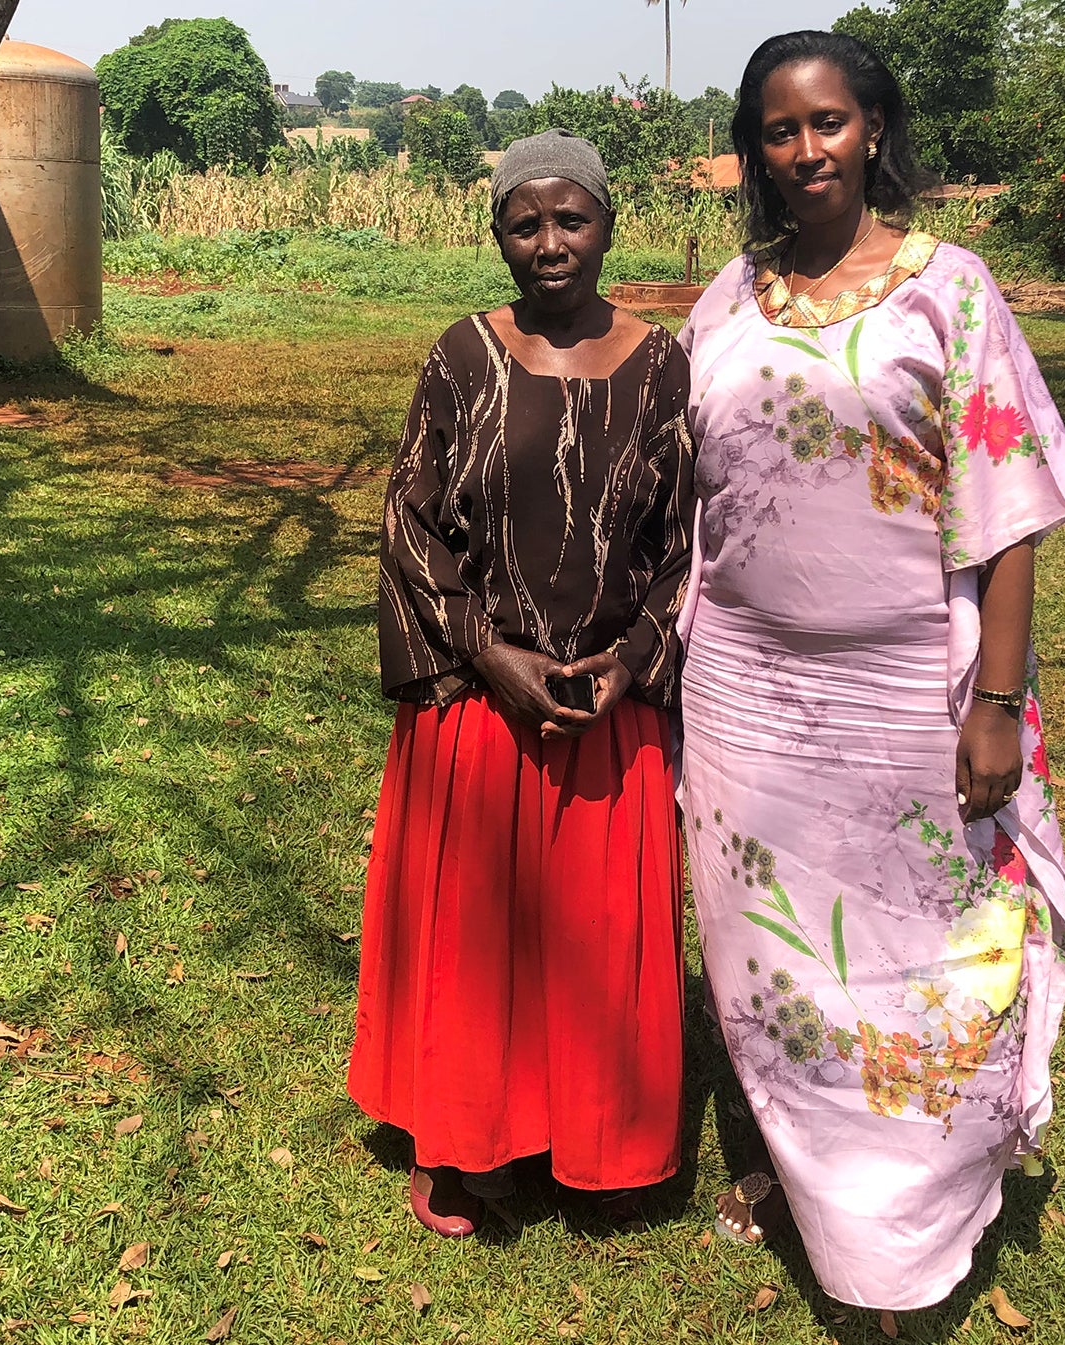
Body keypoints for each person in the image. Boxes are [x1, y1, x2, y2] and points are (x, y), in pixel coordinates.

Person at [675, 31, 1065, 1319]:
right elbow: (678, 482)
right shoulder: (726, 297)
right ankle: (792, 1168)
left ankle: (909, 1211)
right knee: (770, 964)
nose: (803, 150)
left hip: (905, 695)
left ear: (871, 130)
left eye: (827, 123)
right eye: (777, 129)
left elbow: (1007, 508)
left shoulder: (949, 290)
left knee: (931, 953)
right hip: (742, 698)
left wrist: (995, 705)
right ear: (753, 149)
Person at [347, 130, 696, 1237]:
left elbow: (688, 540)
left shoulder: (662, 363)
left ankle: (590, 1136)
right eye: (522, 223)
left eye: (570, 219)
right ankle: (460, 1140)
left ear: (606, 221)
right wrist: (492, 656)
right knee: (478, 937)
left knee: (587, 943)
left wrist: (631, 655)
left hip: (604, 704)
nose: (549, 244)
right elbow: (409, 520)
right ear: (497, 233)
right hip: (482, 703)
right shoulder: (461, 355)